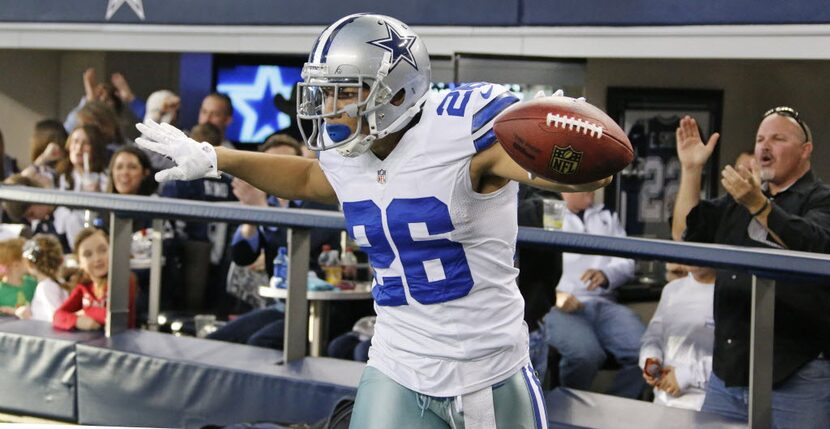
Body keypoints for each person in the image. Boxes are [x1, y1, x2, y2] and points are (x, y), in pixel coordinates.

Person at [137, 13, 609, 428]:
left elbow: (576, 177)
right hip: (397, 361)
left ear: (397, 91)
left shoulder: (461, 132)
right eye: (324, 93)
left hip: (484, 368)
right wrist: (214, 155)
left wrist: (562, 147)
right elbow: (308, 177)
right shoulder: (347, 153)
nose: (327, 107)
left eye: (343, 92)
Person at [672, 108, 830, 428]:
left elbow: (815, 244)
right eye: (760, 139)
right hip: (728, 375)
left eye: (777, 138)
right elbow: (685, 239)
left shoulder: (821, 199)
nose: (764, 146)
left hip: (796, 376)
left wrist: (759, 206)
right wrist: (691, 170)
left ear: (805, 150)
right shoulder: (738, 201)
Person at [541, 191, 644, 398]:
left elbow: (627, 260)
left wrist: (607, 274)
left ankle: (613, 412)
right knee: (585, 355)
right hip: (559, 305)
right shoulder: (546, 212)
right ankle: (569, 411)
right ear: (566, 188)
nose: (591, 192)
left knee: (647, 353)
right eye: (585, 187)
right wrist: (555, 295)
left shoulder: (605, 214)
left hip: (603, 302)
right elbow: (531, 266)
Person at [639, 265, 715, 411]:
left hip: (707, 405)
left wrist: (686, 376)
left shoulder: (734, 293)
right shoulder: (671, 289)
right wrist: (651, 360)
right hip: (662, 401)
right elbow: (654, 336)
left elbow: (739, 360)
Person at [53, 228, 136, 331]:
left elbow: (114, 318)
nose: (97, 258)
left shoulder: (125, 280)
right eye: (88, 254)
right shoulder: (83, 287)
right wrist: (77, 321)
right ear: (80, 263)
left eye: (103, 250)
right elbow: (58, 316)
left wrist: (86, 311)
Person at [15, 234, 70, 322]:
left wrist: (28, 317)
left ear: (31, 264)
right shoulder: (58, 282)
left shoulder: (46, 287)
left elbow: (56, 319)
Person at [0, 238, 38, 316]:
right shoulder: (1, 291)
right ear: (16, 264)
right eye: (27, 258)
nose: (32, 260)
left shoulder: (33, 284)